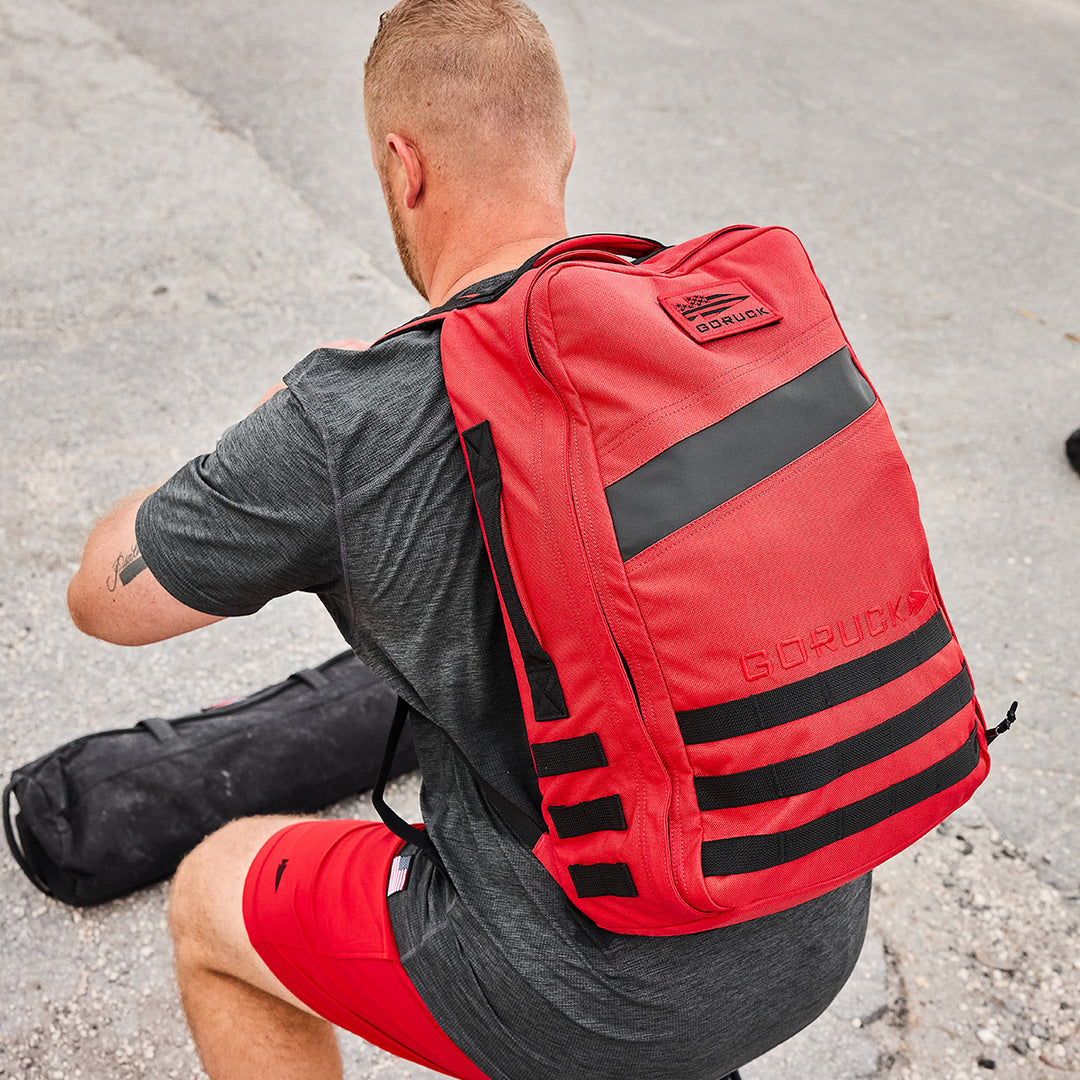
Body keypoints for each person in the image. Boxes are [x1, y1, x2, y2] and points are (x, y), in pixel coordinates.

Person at [66, 3, 872, 1079]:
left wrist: (254, 440)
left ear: (402, 167)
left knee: (215, 898)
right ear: (565, 153)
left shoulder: (352, 416)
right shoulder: (708, 329)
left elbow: (102, 601)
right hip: (817, 918)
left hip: (592, 990)